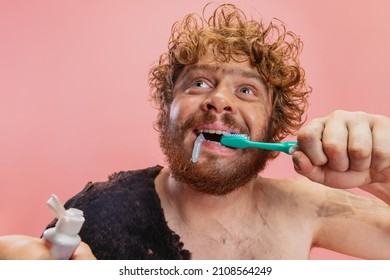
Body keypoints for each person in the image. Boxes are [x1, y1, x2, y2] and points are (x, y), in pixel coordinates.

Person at [1, 3, 389, 260]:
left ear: (274, 123)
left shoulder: (306, 207)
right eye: (199, 84)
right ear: (167, 108)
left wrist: (383, 177)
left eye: (246, 90)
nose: (219, 101)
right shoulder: (97, 215)